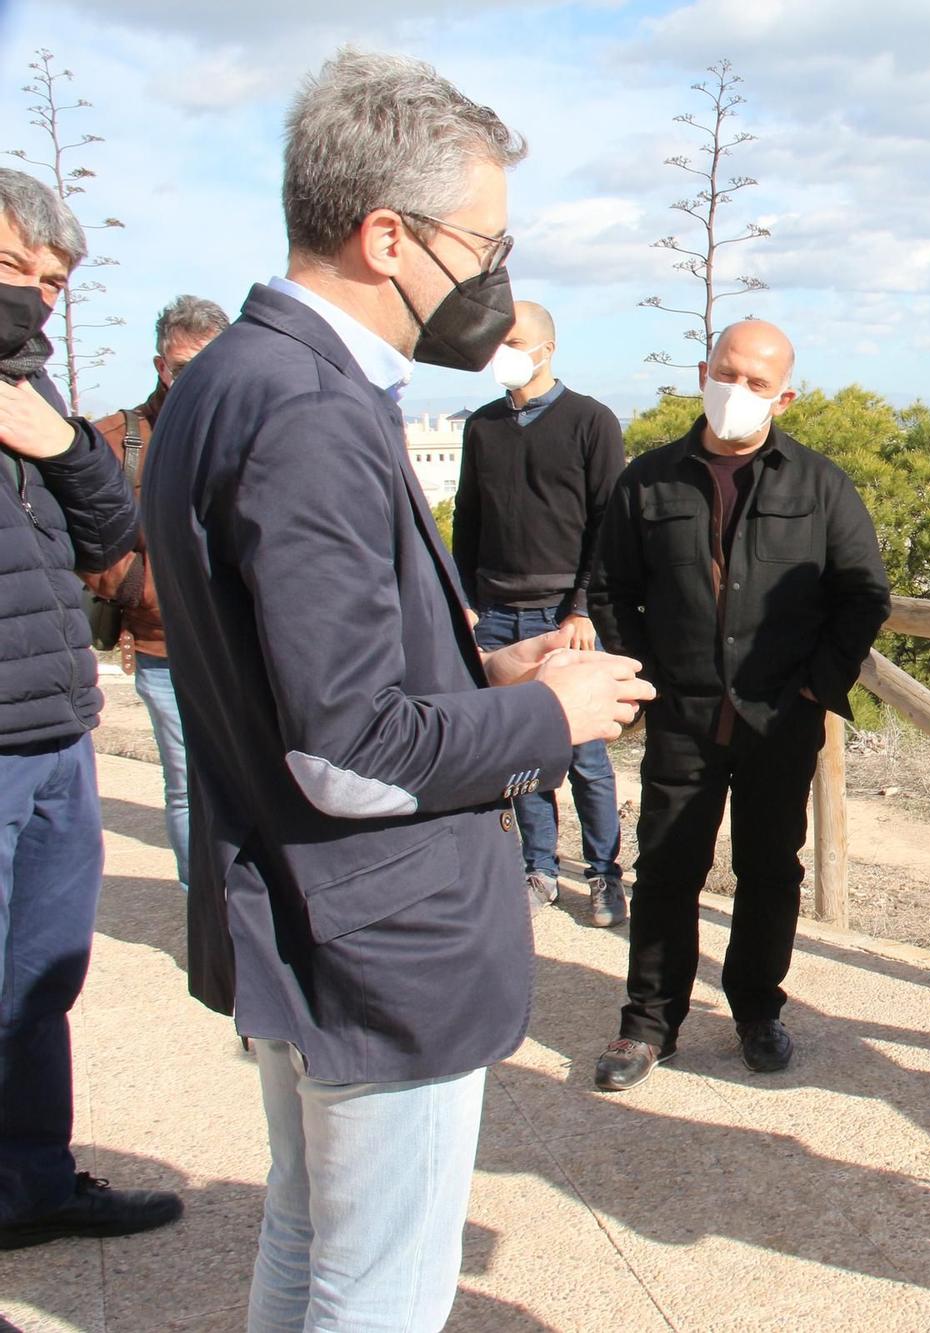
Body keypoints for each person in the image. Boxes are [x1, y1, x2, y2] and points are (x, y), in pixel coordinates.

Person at [143, 50, 653, 1329]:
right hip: (373, 936)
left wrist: (478, 670)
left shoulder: (225, 381)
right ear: (387, 236)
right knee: (377, 1295)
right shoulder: (308, 407)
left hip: (296, 908)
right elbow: (347, 748)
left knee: (308, 1247)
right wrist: (553, 715)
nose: (495, 276)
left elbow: (302, 677)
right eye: (483, 243)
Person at [589, 319, 890, 1089]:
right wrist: (645, 679)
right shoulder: (646, 480)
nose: (738, 392)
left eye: (757, 383)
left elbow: (862, 596)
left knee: (769, 871)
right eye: (727, 373)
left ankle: (758, 1011)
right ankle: (648, 1022)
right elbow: (612, 590)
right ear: (702, 372)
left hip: (779, 718)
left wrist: (817, 686)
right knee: (665, 868)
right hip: (683, 715)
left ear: (784, 394)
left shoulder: (820, 484)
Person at [0, 170, 178, 1253]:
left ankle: (32, 1180)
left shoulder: (43, 395)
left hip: (54, 727)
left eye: (51, 280)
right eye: (12, 269)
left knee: (40, 980)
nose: (34, 295)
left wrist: (58, 444)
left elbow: (116, 536)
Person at [455, 300, 628, 925]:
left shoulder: (591, 421)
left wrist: (582, 609)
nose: (503, 350)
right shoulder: (482, 426)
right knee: (520, 753)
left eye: (516, 339)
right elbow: (467, 519)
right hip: (497, 614)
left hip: (566, 617)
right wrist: (467, 604)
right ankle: (539, 867)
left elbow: (610, 524)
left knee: (585, 756)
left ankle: (606, 876)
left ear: (547, 349)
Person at [80, 295, 232, 895]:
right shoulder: (118, 439)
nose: (191, 378)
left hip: (241, 644)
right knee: (187, 785)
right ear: (158, 364)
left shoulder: (244, 424)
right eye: (179, 365)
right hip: (164, 647)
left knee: (254, 779)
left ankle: (250, 915)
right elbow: (93, 548)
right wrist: (155, 595)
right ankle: (209, 918)